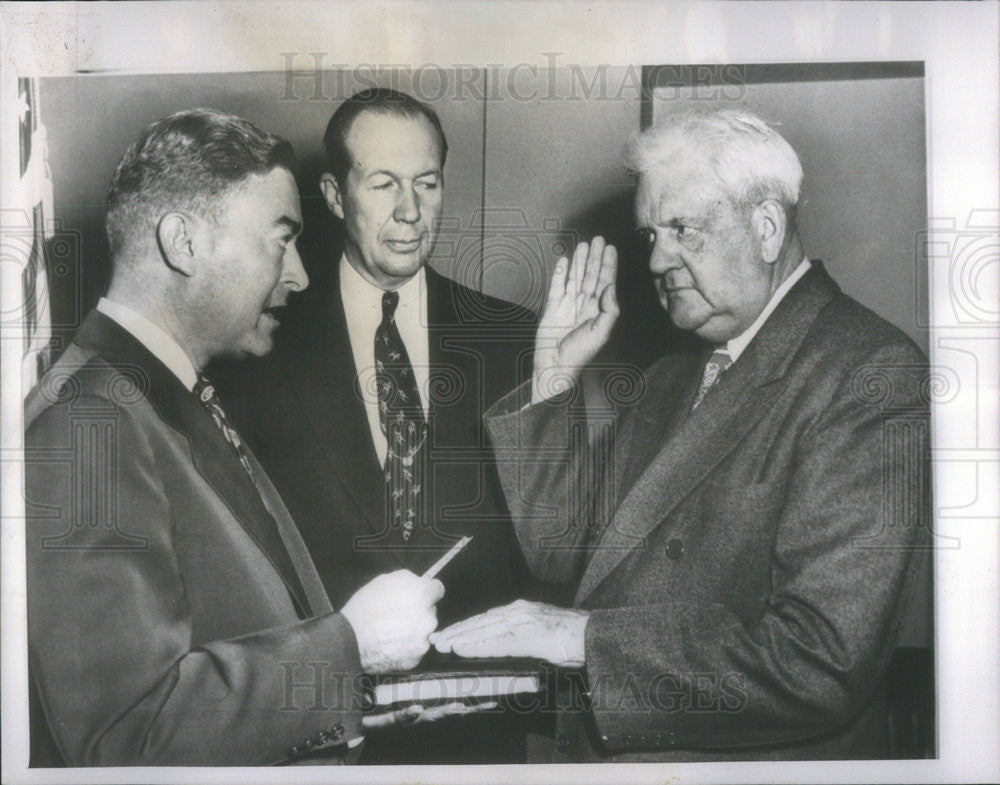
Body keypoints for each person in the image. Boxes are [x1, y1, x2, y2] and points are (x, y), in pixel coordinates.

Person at [432, 108, 932, 761]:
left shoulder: (868, 370)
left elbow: (821, 659)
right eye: (650, 235)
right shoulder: (673, 377)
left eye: (682, 229)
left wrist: (586, 640)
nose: (659, 257)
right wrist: (554, 371)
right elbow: (563, 553)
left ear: (767, 227)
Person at [23, 108, 446, 767]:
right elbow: (126, 737)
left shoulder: (159, 395)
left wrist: (351, 679)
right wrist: (349, 647)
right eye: (281, 239)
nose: (300, 274)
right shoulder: (90, 421)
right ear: (183, 243)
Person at [218, 88, 538, 764]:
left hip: (479, 734)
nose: (410, 210)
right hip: (321, 734)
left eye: (426, 182)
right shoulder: (257, 347)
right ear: (335, 196)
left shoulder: (515, 340)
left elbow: (554, 544)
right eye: (384, 183)